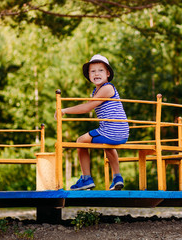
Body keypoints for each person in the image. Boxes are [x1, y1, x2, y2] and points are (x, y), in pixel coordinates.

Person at [55, 54, 129, 190]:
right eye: (92, 71)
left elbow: (87, 107)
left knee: (81, 141)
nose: (96, 74)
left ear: (107, 73)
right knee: (107, 145)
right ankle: (117, 177)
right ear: (88, 75)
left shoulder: (107, 88)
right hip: (121, 132)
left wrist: (64, 110)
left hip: (112, 130)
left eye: (100, 70)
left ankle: (86, 178)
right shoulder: (97, 91)